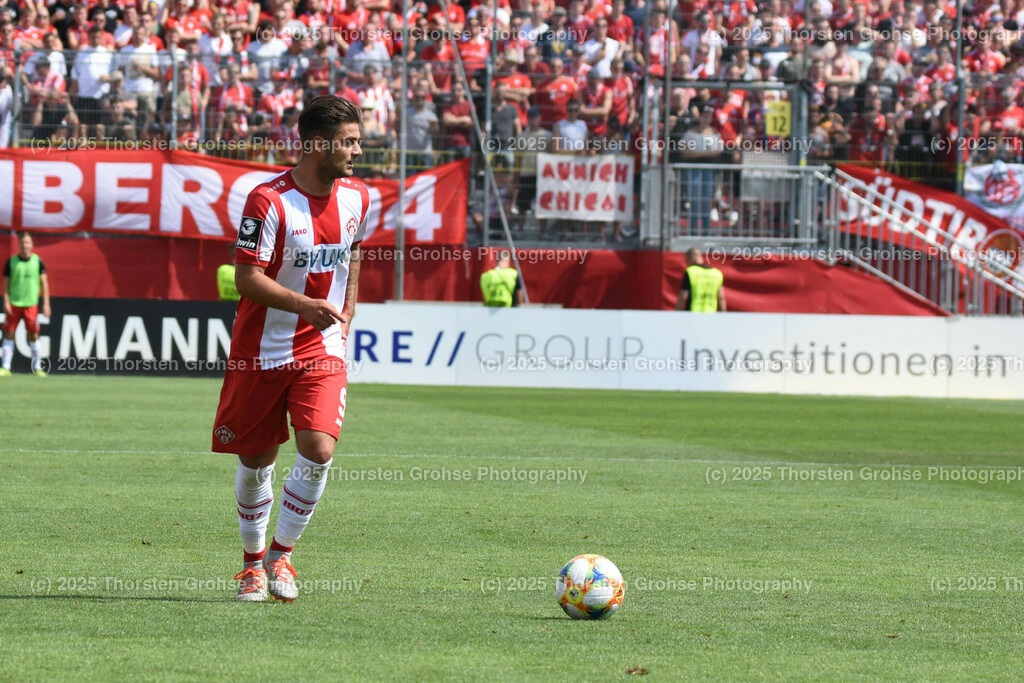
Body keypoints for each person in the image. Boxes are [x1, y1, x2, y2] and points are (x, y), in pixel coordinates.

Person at [211, 95, 370, 603]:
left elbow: (356, 249)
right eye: (349, 142)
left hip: (321, 346)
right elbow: (246, 279)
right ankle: (252, 565)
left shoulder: (358, 197)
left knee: (318, 448)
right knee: (257, 459)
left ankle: (282, 557)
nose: (358, 151)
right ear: (317, 144)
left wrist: (347, 310)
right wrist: (304, 303)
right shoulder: (268, 200)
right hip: (261, 349)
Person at [2, 231, 50, 376]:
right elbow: (5, 284)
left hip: (31, 305)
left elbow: (44, 284)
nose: (25, 245)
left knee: (33, 335)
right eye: (22, 243)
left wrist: (46, 304)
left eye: (27, 242)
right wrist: (6, 301)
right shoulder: (11, 262)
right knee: (9, 333)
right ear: (18, 244)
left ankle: (37, 367)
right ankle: (5, 367)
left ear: (32, 244)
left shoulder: (38, 262)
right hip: (14, 303)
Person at [675, 248, 726, 313]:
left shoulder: (691, 271)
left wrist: (676, 313)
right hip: (711, 315)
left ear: (692, 257)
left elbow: (683, 297)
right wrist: (723, 315)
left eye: (687, 259)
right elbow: (721, 298)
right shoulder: (717, 274)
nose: (686, 262)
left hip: (693, 315)